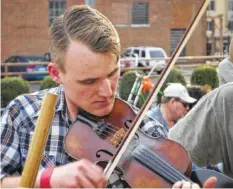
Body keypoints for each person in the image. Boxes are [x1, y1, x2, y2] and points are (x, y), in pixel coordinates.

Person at [0, 5, 216, 188]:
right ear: (56, 73)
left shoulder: (147, 131)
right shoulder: (23, 114)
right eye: (89, 81)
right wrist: (48, 178)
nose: (107, 91)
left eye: (113, 73)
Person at [168, 82, 233, 178]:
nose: (187, 109)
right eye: (186, 104)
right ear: (173, 102)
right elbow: (174, 152)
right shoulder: (227, 96)